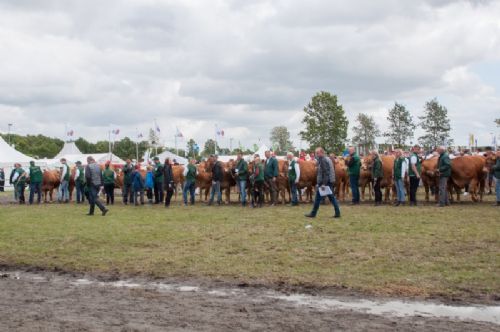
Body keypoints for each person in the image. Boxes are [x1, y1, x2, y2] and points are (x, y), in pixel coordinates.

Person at [305, 147, 341, 218]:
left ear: (321, 152)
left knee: (325, 198)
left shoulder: (323, 160)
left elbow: (326, 173)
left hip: (325, 182)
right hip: (327, 181)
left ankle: (313, 213)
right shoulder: (325, 159)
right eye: (316, 153)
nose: (316, 154)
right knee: (329, 198)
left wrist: (324, 184)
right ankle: (337, 212)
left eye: (317, 153)